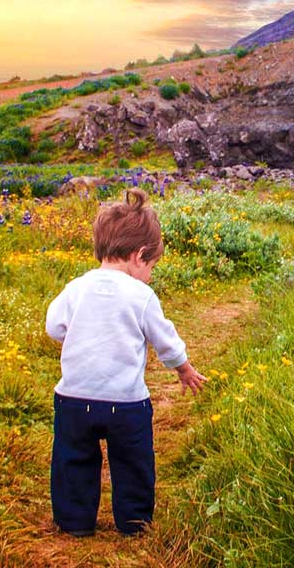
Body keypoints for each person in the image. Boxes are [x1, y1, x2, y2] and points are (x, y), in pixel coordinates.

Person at [45, 188, 207, 537]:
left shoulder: (76, 287)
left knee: (73, 459)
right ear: (140, 255)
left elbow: (53, 326)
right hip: (126, 403)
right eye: (151, 266)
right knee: (133, 462)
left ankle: (74, 522)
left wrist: (79, 336)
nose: (150, 274)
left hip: (73, 398)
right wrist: (183, 369)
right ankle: (134, 523)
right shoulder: (141, 295)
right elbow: (165, 339)